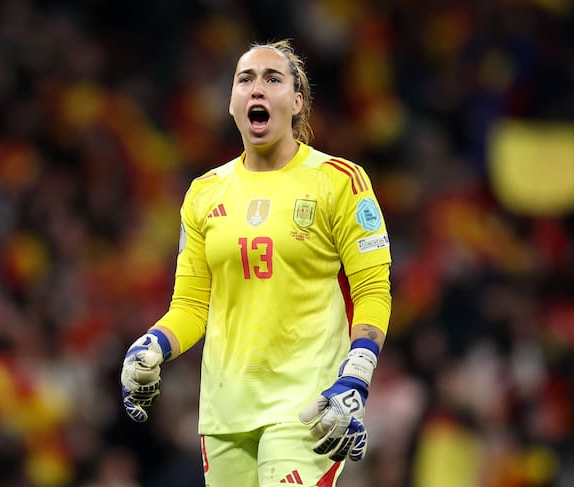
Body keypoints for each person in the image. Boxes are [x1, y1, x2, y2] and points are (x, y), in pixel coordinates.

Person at [121, 39, 392, 487]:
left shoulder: (340, 181)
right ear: (231, 103)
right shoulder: (204, 193)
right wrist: (152, 345)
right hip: (225, 412)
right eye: (245, 79)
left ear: (297, 101)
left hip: (307, 407)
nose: (257, 89)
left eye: (272, 79)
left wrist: (357, 376)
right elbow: (190, 305)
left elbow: (372, 290)